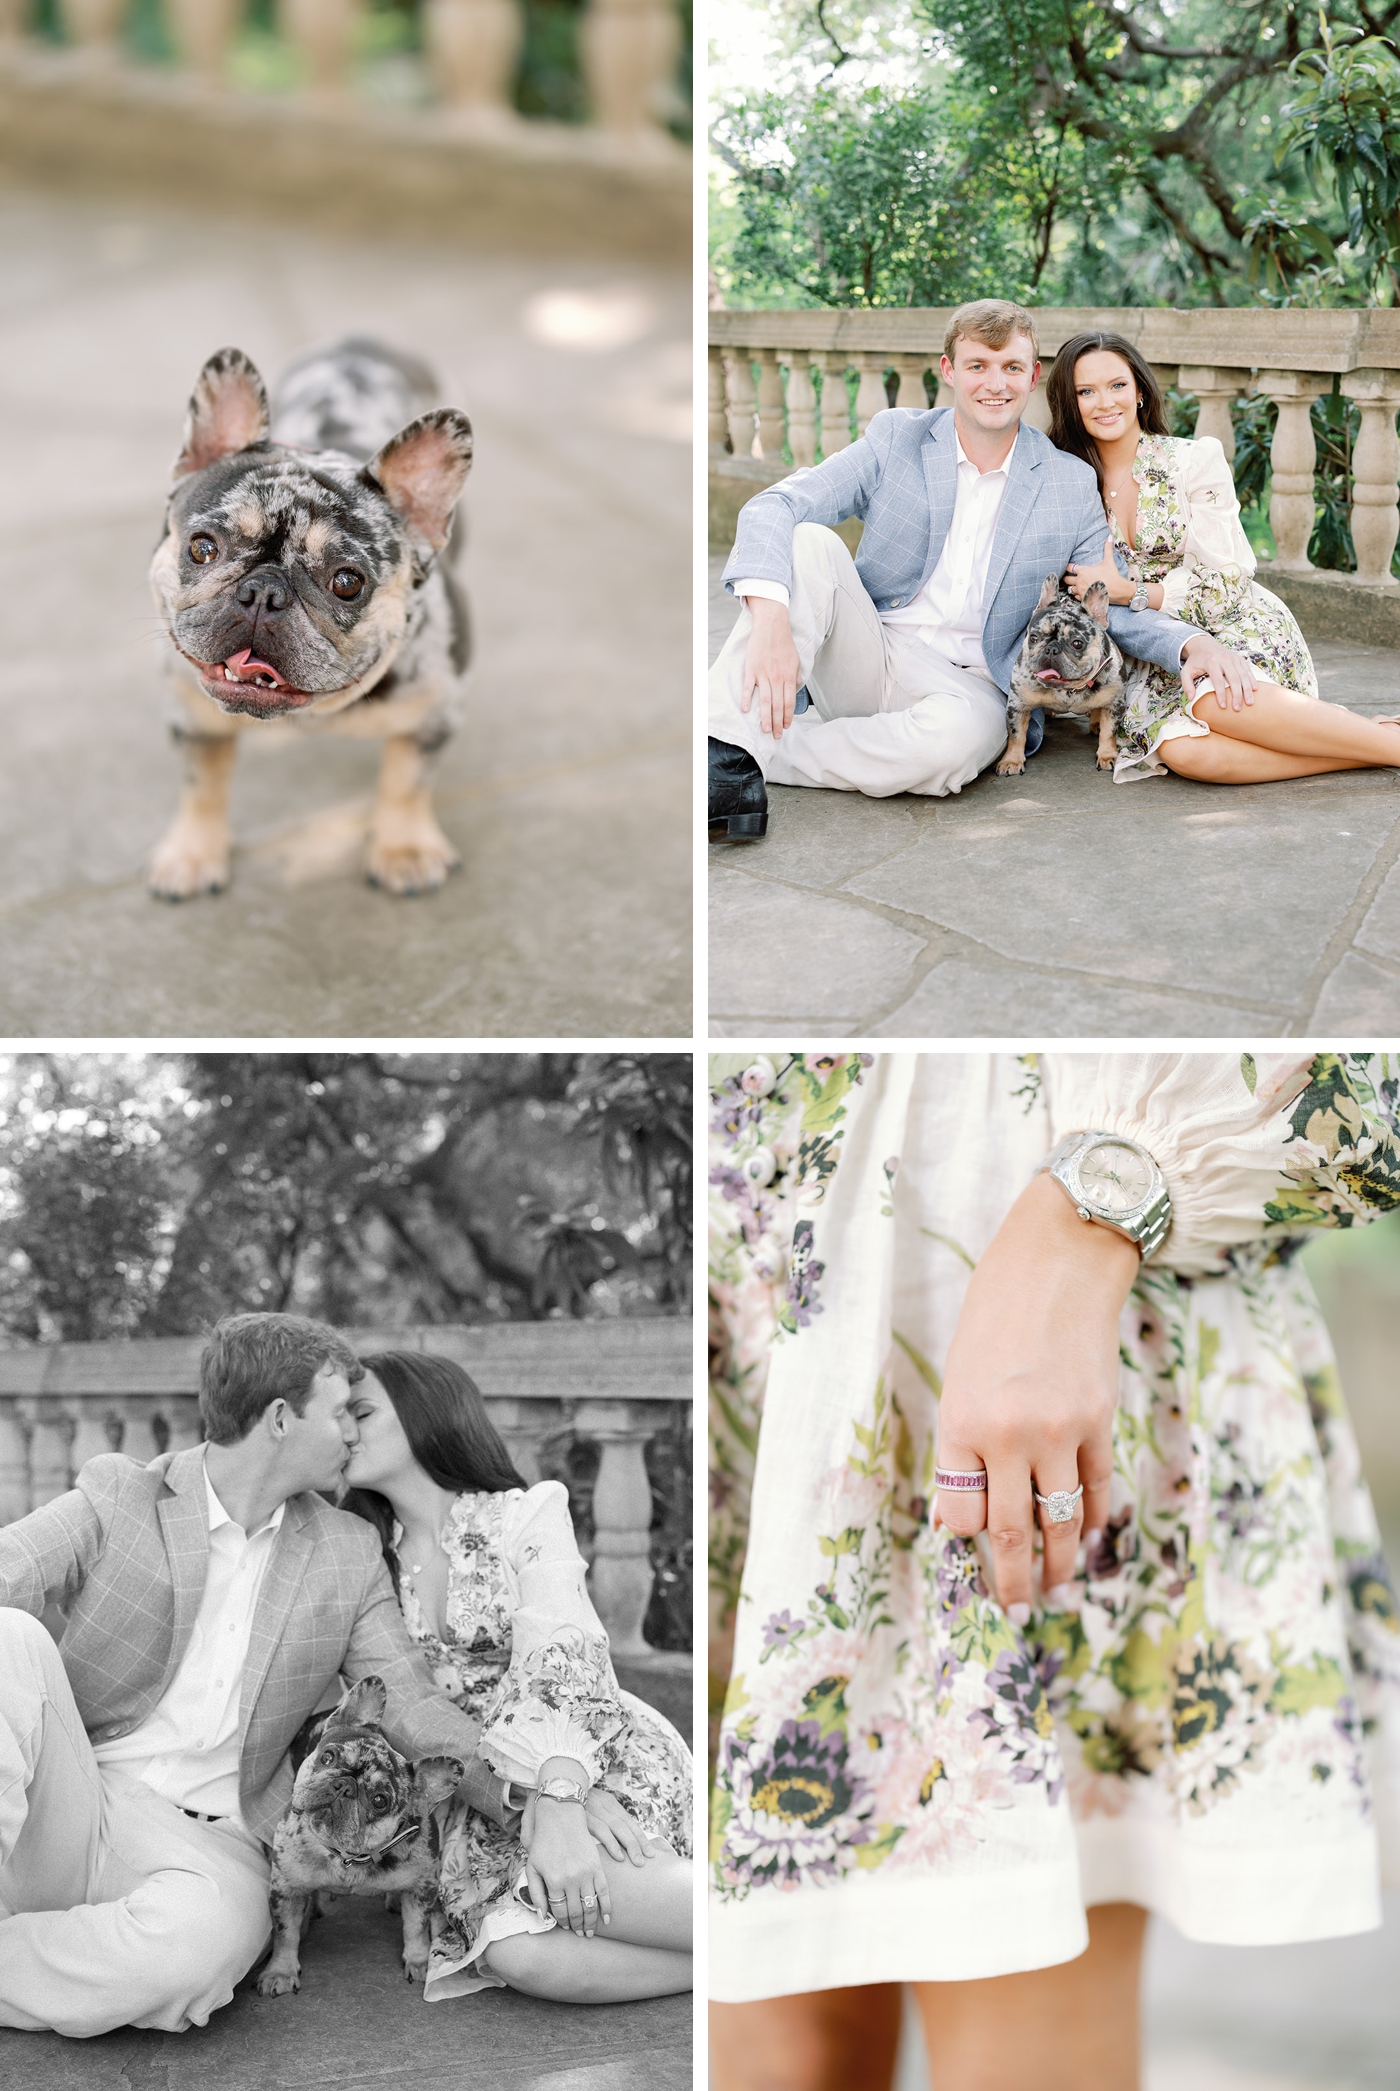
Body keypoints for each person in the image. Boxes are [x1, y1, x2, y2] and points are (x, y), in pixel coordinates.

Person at [708, 1052, 1400, 2090]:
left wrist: (1091, 1217)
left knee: (1018, 2022)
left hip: (1054, 1345)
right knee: (777, 2038)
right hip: (756, 1312)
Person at [0, 1311, 512, 2040]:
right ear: (280, 1417)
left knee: (194, 1953)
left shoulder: (345, 1548)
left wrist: (532, 1792)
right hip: (75, 1802)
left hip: (214, 1849)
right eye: (342, 1412)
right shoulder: (121, 1495)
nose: (355, 1434)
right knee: (8, 1637)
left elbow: (408, 1700)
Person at [707, 299, 1252, 841]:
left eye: (1012, 367)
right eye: (978, 366)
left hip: (973, 686)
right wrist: (773, 621)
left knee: (949, 752)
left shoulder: (1066, 482)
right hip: (870, 650)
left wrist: (1188, 645)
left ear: (1033, 376)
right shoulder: (898, 438)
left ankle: (752, 746)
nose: (996, 383)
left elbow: (1099, 601)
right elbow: (774, 506)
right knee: (808, 542)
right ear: (949, 370)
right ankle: (723, 754)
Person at [340, 1348, 693, 2004]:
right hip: (476, 1795)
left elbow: (559, 1647)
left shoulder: (523, 1513)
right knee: (519, 1956)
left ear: (426, 1414)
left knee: (597, 1881)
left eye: (362, 1411)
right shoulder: (360, 1550)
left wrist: (562, 1790)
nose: (346, 1430)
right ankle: (748, 1965)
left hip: (585, 1755)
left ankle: (823, 1938)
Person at [1050, 330, 1400, 783]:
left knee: (1218, 700)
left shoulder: (1195, 460)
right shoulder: (1068, 483)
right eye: (1086, 391)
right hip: (1149, 656)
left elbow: (1228, 581)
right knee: (1186, 754)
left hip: (1233, 623)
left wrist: (1133, 591)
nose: (1105, 402)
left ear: (1139, 390)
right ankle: (1373, 742)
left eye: (1117, 385)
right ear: (1069, 402)